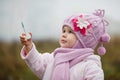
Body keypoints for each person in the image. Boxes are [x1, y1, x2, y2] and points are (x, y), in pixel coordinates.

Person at [20, 9, 110, 80]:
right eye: (63, 31)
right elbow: (38, 64)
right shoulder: (55, 57)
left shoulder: (89, 66)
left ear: (83, 41)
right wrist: (29, 46)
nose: (64, 34)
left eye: (70, 32)